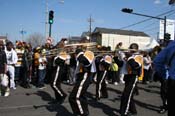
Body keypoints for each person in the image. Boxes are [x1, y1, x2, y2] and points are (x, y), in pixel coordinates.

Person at [69, 49, 95, 116]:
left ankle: (82, 113)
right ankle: (85, 112)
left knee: (74, 97)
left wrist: (78, 54)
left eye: (75, 54)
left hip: (84, 78)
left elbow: (84, 60)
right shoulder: (81, 58)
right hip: (81, 79)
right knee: (82, 97)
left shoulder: (84, 57)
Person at [153, 41, 175, 116]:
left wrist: (163, 75)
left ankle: (165, 106)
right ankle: (165, 105)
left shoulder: (172, 46)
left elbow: (157, 61)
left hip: (172, 80)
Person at [120, 43, 142, 116]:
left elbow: (135, 65)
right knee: (128, 95)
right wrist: (119, 56)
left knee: (127, 95)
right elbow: (121, 63)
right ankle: (133, 110)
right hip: (127, 76)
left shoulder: (138, 56)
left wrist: (129, 57)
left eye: (131, 48)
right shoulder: (131, 56)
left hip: (133, 76)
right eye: (130, 47)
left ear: (135, 49)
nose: (129, 49)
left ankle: (124, 112)